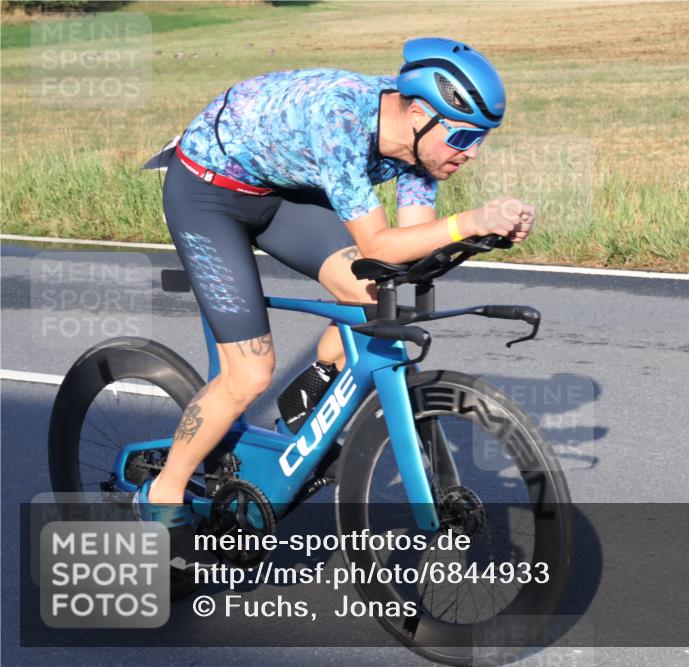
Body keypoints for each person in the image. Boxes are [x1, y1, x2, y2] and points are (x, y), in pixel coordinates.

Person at [134, 37, 535, 567]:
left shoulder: (416, 148)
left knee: (375, 292)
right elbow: (377, 243)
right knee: (250, 373)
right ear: (418, 113)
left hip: (281, 193)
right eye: (464, 136)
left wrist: (484, 233)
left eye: (481, 139)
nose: (472, 152)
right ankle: (163, 493)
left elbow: (407, 250)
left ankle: (303, 411)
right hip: (207, 194)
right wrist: (472, 220)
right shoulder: (341, 120)